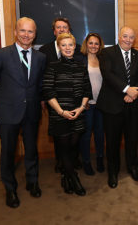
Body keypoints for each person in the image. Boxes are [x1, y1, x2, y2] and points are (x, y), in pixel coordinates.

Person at [0, 17, 46, 208]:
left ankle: (32, 181)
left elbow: (40, 84)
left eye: (31, 32)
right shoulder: (1, 54)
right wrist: (2, 102)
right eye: (23, 31)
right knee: (8, 152)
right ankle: (10, 188)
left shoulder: (40, 58)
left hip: (32, 111)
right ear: (16, 32)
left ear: (35, 34)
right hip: (8, 113)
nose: (26, 35)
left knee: (31, 150)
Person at [96, 26, 138, 188]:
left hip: (134, 105)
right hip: (112, 105)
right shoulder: (106, 53)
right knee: (112, 141)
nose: (128, 40)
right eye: (125, 36)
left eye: (131, 37)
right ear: (119, 37)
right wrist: (127, 89)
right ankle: (113, 172)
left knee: (132, 139)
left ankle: (133, 167)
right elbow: (108, 74)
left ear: (134, 39)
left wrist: (134, 92)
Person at [42, 33, 92, 196]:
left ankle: (66, 176)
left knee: (72, 148)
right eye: (64, 45)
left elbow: (87, 90)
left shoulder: (80, 66)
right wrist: (61, 112)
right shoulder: (52, 66)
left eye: (70, 45)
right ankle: (74, 178)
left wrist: (81, 108)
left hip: (78, 113)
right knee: (63, 149)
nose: (68, 48)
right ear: (59, 47)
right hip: (59, 114)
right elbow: (48, 92)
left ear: (74, 46)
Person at [39, 17, 83, 173]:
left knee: (75, 135)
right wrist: (43, 97)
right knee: (60, 135)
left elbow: (82, 75)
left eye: (65, 27)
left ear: (69, 30)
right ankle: (61, 160)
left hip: (75, 100)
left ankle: (73, 159)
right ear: (54, 31)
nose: (62, 29)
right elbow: (41, 76)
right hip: (55, 102)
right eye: (58, 27)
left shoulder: (78, 48)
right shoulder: (44, 50)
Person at [79, 33, 105, 175]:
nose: (94, 46)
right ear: (86, 44)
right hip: (87, 104)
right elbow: (77, 83)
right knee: (86, 135)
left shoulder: (103, 59)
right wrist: (83, 102)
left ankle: (100, 158)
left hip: (101, 104)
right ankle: (86, 161)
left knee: (100, 134)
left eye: (96, 43)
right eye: (91, 43)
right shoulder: (80, 60)